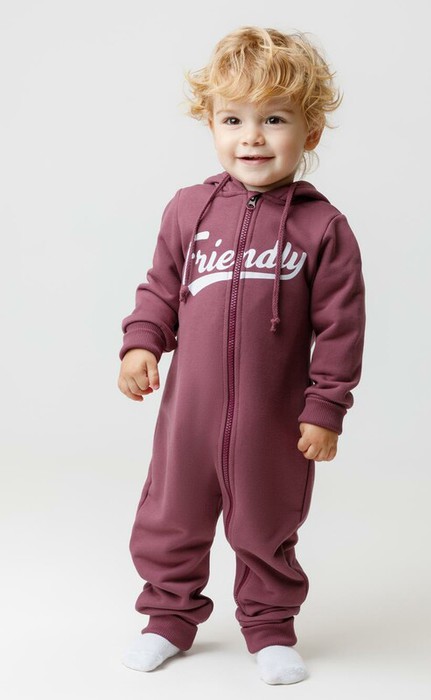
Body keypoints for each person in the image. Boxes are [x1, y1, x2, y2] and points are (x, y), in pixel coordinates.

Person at [117, 25, 366, 685]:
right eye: (233, 119)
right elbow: (159, 290)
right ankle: (167, 619)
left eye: (274, 119)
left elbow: (341, 328)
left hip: (271, 420)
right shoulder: (188, 210)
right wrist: (141, 342)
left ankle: (270, 628)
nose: (252, 137)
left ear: (310, 132)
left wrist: (326, 408)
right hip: (189, 417)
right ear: (211, 125)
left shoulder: (323, 228)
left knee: (267, 523)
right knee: (170, 515)